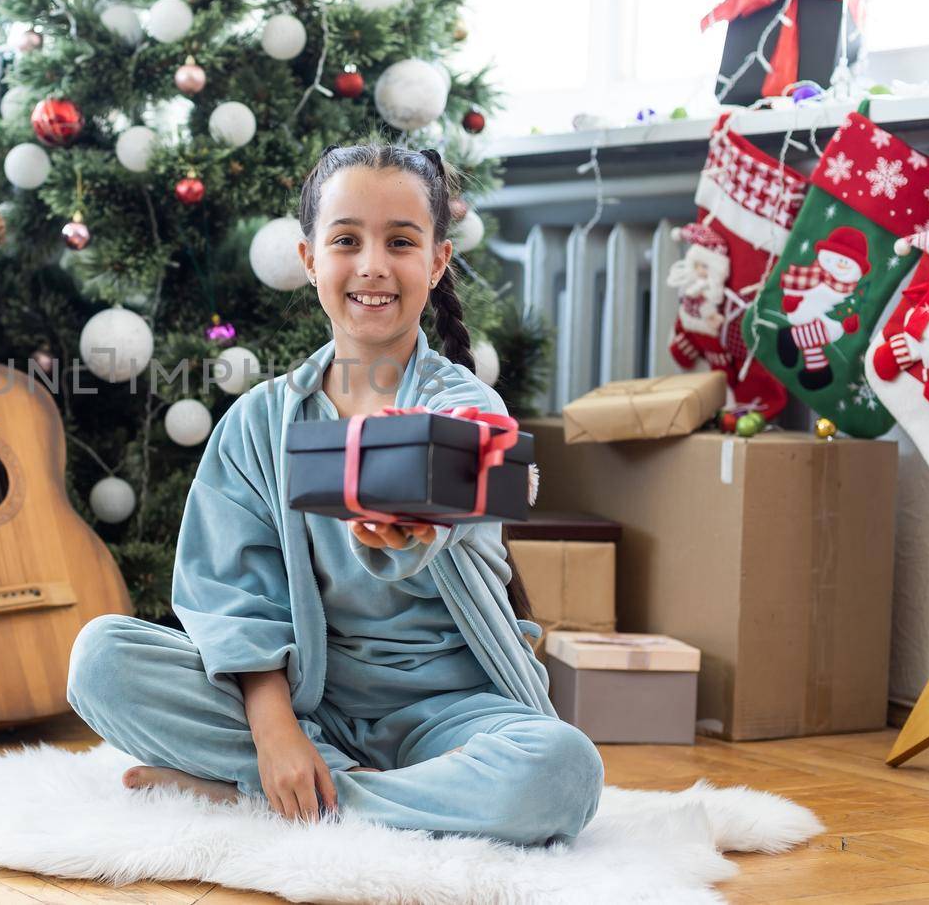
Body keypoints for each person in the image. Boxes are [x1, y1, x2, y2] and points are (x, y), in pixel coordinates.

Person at [66, 143, 603, 846]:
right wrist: (276, 730)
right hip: (307, 699)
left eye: (401, 242)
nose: (373, 264)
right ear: (310, 258)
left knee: (564, 771)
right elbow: (232, 594)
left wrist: (416, 528)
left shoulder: (467, 404)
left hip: (454, 713)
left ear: (438, 261)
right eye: (346, 239)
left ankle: (286, 796)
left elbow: (481, 475)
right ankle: (310, 777)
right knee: (100, 656)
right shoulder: (260, 421)